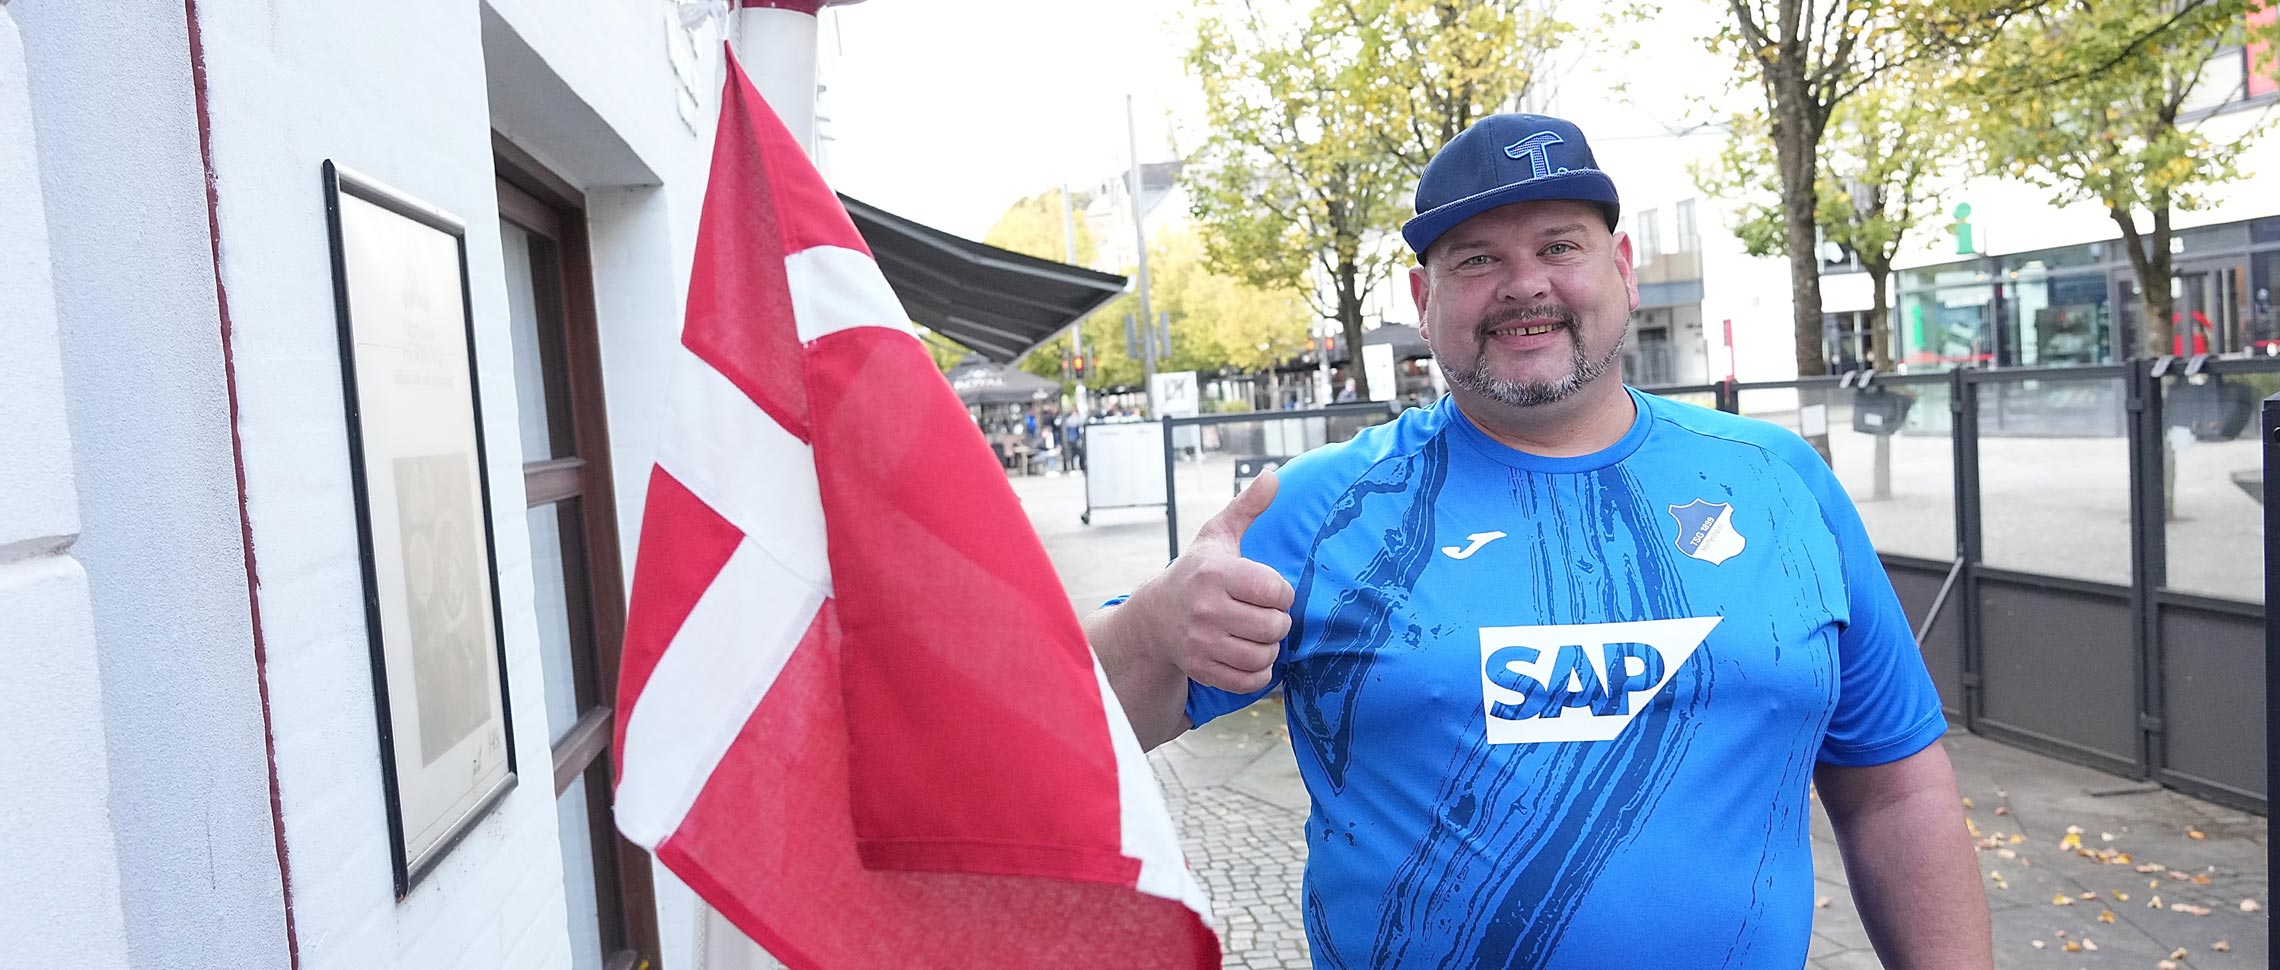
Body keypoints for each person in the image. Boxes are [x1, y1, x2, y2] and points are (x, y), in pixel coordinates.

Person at [1085, 113, 1991, 969]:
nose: (1526, 285)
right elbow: (1074, 732)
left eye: (1560, 246)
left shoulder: (1779, 482)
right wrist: (1156, 628)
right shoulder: (1325, 507)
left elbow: (1893, 786)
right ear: (1422, 298)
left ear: (1623, 268)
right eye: (1478, 259)